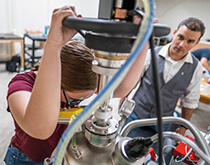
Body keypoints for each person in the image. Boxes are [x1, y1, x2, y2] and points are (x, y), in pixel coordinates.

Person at [4, 6, 149, 164]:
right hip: (24, 159)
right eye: (75, 100)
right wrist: (53, 45)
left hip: (59, 156)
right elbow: (40, 128)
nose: (78, 103)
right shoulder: (21, 85)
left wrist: (143, 44)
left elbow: (120, 89)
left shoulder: (85, 81)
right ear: (57, 82)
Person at [123, 17, 205, 138]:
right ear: (174, 32)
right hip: (136, 115)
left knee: (152, 154)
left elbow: (190, 101)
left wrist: (183, 127)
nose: (182, 44)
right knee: (125, 147)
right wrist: (122, 104)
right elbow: (132, 82)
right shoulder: (151, 54)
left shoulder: (196, 68)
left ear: (197, 43)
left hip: (163, 122)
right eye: (180, 37)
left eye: (190, 41)